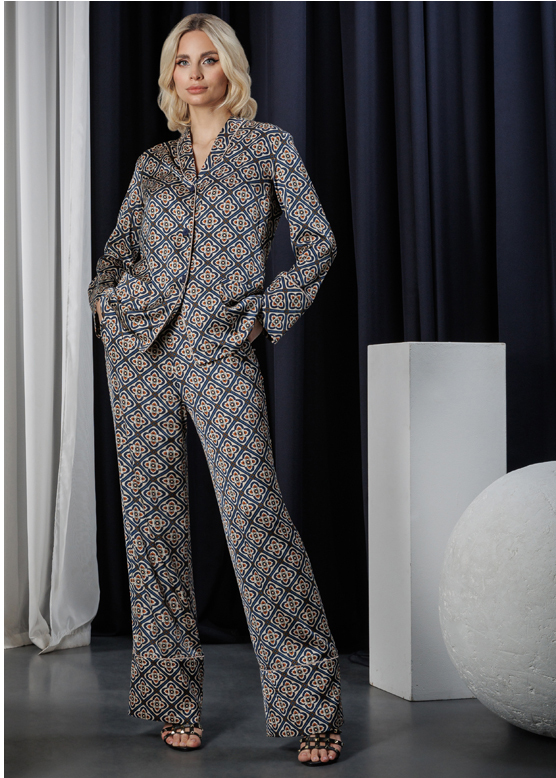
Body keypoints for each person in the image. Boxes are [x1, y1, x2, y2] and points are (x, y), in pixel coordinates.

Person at [88, 12, 344, 766]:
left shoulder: (268, 147)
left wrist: (264, 315)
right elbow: (114, 256)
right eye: (182, 62)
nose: (195, 73)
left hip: (220, 350)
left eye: (207, 59)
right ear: (170, 76)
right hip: (139, 353)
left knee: (256, 518)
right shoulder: (153, 164)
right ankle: (173, 701)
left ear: (229, 68)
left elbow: (318, 241)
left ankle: (311, 707)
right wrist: (108, 307)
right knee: (152, 529)